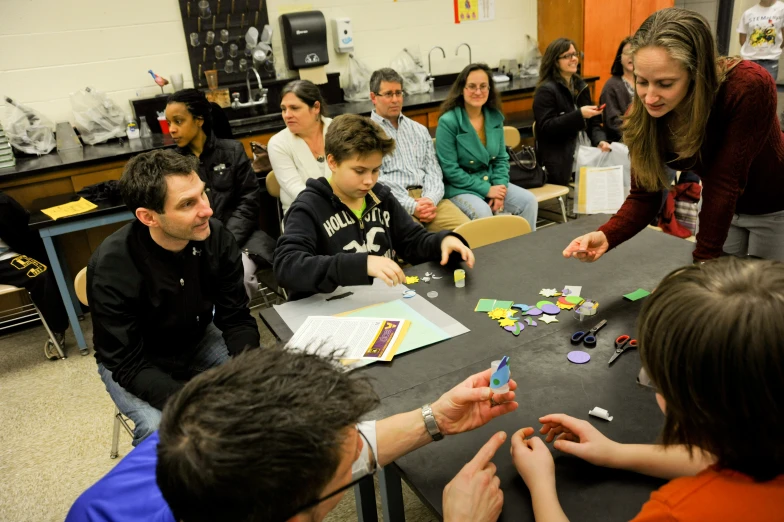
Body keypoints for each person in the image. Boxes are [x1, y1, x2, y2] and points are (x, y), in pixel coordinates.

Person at [65, 345, 519, 522]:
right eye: (350, 466)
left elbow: (338, 449)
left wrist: (436, 417)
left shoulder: (185, 439)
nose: (363, 449)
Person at [510, 257, 784, 521]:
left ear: (691, 400)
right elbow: (723, 460)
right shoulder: (763, 442)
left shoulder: (679, 512)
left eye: (651, 378)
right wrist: (614, 453)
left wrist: (541, 485)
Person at [563, 8, 784, 263]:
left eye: (665, 84)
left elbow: (725, 183)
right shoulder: (642, 113)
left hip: (775, 205)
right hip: (720, 207)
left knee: (765, 293)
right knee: (722, 290)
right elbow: (644, 196)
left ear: (697, 74)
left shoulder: (747, 87)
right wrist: (608, 235)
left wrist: (699, 271)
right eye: (642, 81)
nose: (650, 97)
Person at [88, 149, 260, 445]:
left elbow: (235, 317)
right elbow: (127, 364)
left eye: (202, 194)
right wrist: (190, 403)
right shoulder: (112, 266)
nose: (207, 210)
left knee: (262, 394)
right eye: (187, 204)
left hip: (197, 338)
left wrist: (251, 369)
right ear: (148, 217)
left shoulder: (214, 236)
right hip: (137, 359)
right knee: (164, 434)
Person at [274, 114, 475, 300]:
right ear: (333, 162)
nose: (369, 180)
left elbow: (413, 241)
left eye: (376, 170)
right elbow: (287, 266)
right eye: (359, 171)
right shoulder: (308, 207)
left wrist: (442, 242)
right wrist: (362, 264)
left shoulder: (380, 197)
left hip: (380, 301)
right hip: (332, 312)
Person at [166, 89, 274, 299]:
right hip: (193, 242)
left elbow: (248, 201)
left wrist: (225, 240)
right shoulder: (172, 163)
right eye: (169, 123)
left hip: (240, 239)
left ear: (199, 120)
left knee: (237, 279)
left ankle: (234, 328)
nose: (172, 129)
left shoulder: (232, 151)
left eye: (178, 121)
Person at [435, 63, 539, 229]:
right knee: (483, 213)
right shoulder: (448, 122)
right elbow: (450, 170)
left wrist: (499, 190)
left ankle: (523, 252)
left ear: (490, 89)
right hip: (459, 187)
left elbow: (501, 160)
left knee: (528, 201)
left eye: (483, 86)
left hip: (491, 181)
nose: (478, 92)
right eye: (472, 86)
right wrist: (486, 190)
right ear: (462, 89)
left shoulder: (494, 117)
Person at [369, 67, 470, 232]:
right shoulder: (367, 133)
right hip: (394, 203)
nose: (395, 99)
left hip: (429, 199)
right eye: (388, 94)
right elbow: (376, 180)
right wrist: (411, 206)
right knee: (416, 244)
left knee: (468, 233)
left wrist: (430, 199)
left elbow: (434, 171)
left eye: (398, 93)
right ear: (373, 97)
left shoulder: (418, 130)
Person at [533, 39, 611, 186]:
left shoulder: (581, 86)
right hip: (563, 156)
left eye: (575, 54)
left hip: (588, 151)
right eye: (567, 56)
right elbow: (546, 127)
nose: (574, 58)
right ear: (555, 61)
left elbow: (594, 124)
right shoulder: (546, 90)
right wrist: (579, 115)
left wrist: (600, 140)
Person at [0, 191, 69, 359]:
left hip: (6, 258)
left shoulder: (3, 203)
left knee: (41, 274)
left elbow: (26, 230)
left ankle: (57, 330)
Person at [267, 80, 333, 215]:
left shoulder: (338, 130)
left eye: (294, 108)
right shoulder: (278, 143)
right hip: (303, 215)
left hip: (345, 208)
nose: (287, 115)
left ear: (316, 107)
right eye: (284, 109)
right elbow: (298, 191)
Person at [737, 0, 784, 80]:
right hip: (750, 60)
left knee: (768, 90)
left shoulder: (781, 9)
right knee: (749, 89)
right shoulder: (748, 13)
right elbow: (742, 38)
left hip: (770, 60)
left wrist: (775, 50)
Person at [599, 37, 634, 143]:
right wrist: (636, 135)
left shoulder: (647, 83)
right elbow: (612, 122)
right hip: (621, 143)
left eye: (635, 52)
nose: (631, 56)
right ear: (620, 57)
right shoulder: (611, 86)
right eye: (628, 52)